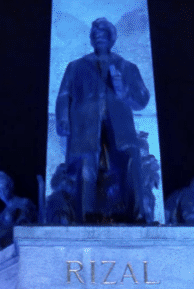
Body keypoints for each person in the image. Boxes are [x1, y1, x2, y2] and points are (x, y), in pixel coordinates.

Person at [55, 17, 151, 223]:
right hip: (86, 126)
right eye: (95, 36)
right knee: (86, 168)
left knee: (129, 162)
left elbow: (142, 99)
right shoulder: (76, 66)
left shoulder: (127, 67)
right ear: (91, 40)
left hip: (120, 127)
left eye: (104, 35)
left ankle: (137, 214)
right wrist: (63, 119)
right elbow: (64, 95)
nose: (99, 39)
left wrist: (124, 92)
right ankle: (85, 215)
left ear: (111, 39)